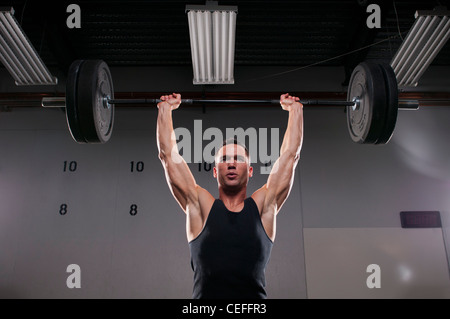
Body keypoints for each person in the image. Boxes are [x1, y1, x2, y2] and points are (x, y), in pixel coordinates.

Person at [157, 93, 303, 299]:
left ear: (250, 170)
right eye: (224, 159)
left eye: (239, 159)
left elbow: (290, 155)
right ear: (215, 171)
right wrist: (165, 110)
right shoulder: (200, 206)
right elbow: (168, 156)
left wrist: (295, 111)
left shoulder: (263, 206)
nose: (232, 163)